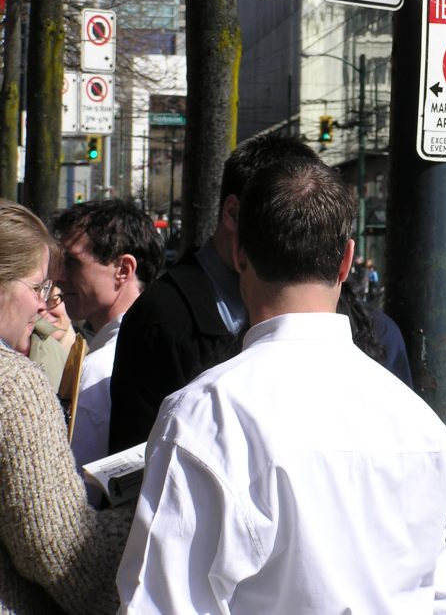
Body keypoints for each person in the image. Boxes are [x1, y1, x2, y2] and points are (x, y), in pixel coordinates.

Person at [117, 157, 446, 613]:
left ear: (239, 254)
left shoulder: (207, 413)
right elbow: (434, 598)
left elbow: (159, 603)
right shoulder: (421, 425)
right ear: (346, 261)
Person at [109, 133, 320, 453]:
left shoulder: (340, 314)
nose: (294, 237)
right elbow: (133, 462)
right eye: (278, 217)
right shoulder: (162, 316)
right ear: (233, 213)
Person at [0, 199, 132, 613]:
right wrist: (146, 518)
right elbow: (59, 549)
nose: (44, 305)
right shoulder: (13, 386)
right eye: (37, 286)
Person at [52, 200, 164, 469]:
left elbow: (77, 486)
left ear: (123, 270)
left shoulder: (99, 369)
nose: (59, 277)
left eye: (71, 263)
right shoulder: (154, 349)